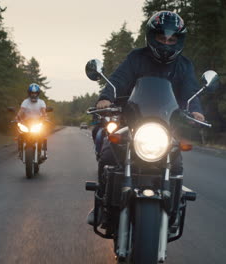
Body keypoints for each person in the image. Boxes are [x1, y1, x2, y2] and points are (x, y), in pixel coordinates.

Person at [88, 10, 205, 225]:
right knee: (107, 155)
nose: (167, 43)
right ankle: (103, 207)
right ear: (152, 37)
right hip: (132, 122)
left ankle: (172, 215)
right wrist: (106, 98)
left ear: (179, 41)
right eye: (162, 37)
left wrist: (195, 111)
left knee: (176, 166)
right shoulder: (136, 58)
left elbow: (190, 92)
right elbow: (118, 80)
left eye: (172, 39)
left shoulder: (184, 65)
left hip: (167, 127)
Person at [15, 83, 48, 159]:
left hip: (38, 123)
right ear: (29, 93)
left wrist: (45, 118)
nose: (34, 95)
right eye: (32, 93)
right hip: (26, 123)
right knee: (20, 135)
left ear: (38, 93)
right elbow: (21, 111)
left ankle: (42, 152)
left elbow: (44, 112)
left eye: (35, 93)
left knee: (43, 136)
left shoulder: (41, 102)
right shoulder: (25, 102)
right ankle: (20, 151)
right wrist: (16, 117)